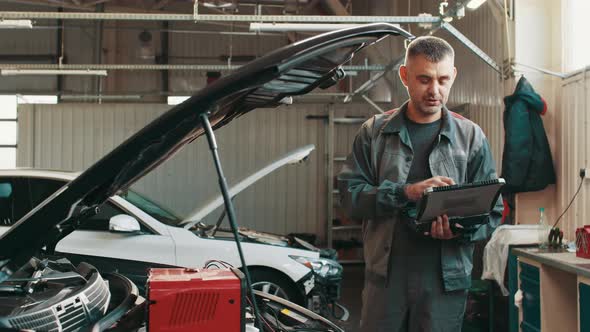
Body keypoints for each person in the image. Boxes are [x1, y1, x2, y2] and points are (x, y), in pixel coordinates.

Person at [337, 36, 503, 332]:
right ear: (404, 76)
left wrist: (460, 230)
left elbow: (492, 212)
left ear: (453, 76)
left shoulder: (471, 137)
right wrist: (406, 192)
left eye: (442, 80)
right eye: (424, 79)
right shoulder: (374, 133)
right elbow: (350, 197)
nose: (435, 91)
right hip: (386, 281)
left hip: (443, 283)